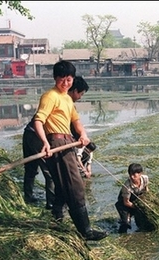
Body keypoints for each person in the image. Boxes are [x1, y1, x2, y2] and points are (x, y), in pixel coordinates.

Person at [33, 60, 107, 241]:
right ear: (55, 78)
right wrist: (45, 143)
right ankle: (86, 232)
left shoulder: (67, 98)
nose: (66, 83)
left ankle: (57, 217)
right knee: (75, 186)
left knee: (63, 185)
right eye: (62, 79)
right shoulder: (50, 96)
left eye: (69, 79)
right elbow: (38, 120)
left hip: (68, 141)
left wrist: (83, 135)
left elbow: (76, 122)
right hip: (56, 142)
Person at [21, 76, 90, 209]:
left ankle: (28, 196)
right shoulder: (59, 98)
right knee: (50, 172)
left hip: (29, 134)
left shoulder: (63, 99)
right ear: (74, 90)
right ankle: (51, 204)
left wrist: (82, 136)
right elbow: (43, 121)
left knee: (31, 169)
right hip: (39, 138)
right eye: (81, 94)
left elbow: (74, 125)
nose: (80, 97)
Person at [115, 163, 149, 233]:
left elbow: (146, 190)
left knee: (142, 220)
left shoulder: (145, 178)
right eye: (130, 174)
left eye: (134, 175)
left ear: (140, 174)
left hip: (135, 201)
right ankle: (122, 236)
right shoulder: (126, 186)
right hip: (124, 204)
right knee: (126, 223)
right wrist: (138, 207)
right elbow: (126, 202)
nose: (132, 177)